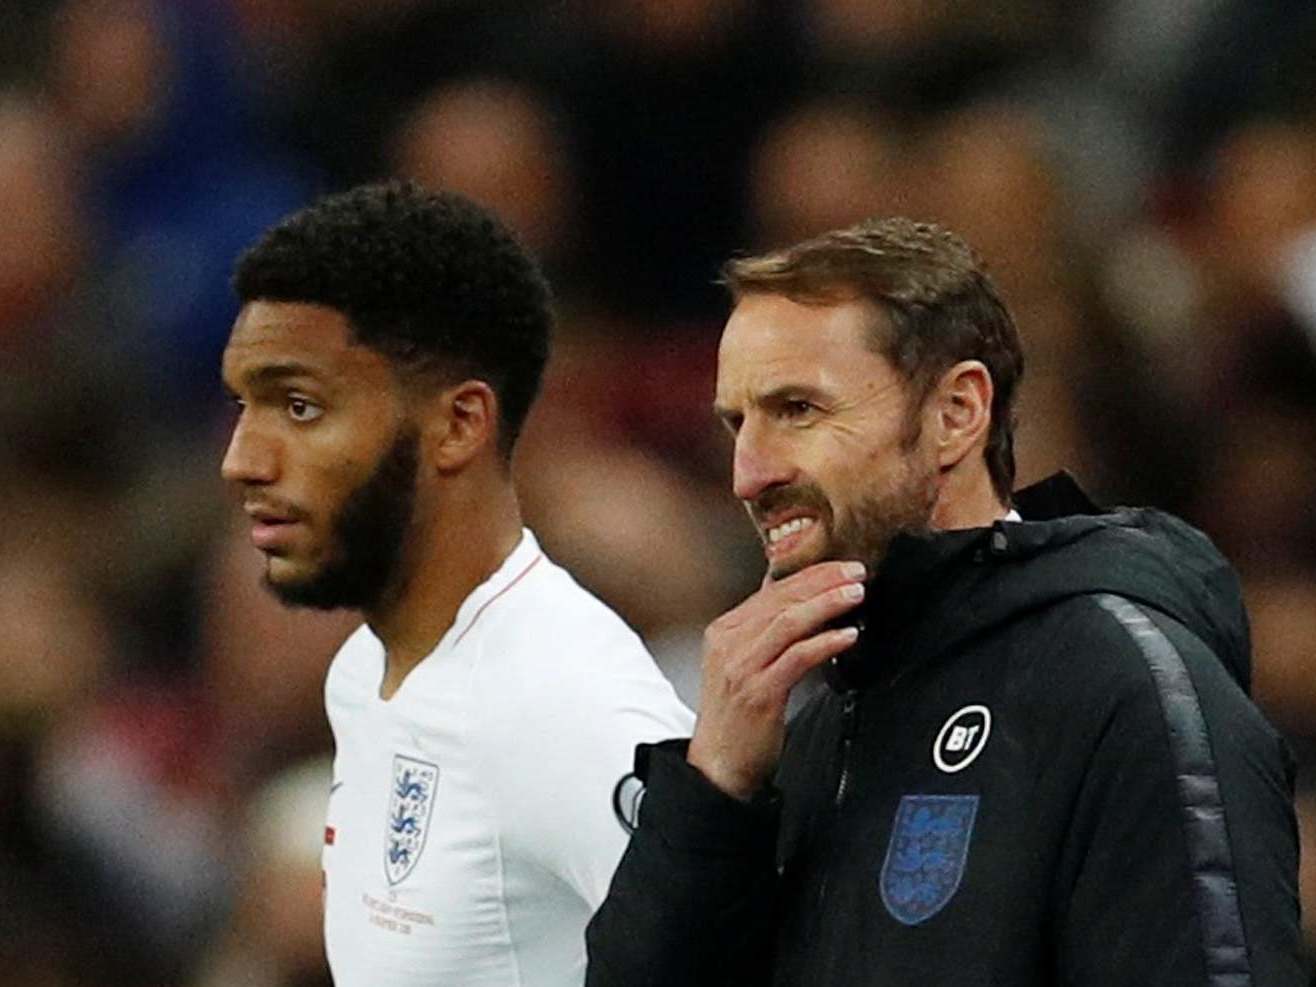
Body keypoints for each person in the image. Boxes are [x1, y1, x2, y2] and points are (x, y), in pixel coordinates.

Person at [585, 218, 1305, 986]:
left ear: (957, 413)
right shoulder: (806, 719)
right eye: (737, 423)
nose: (748, 474)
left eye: (797, 409)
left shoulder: (1122, 684)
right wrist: (713, 793)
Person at [219, 181, 693, 987]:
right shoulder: (362, 673)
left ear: (459, 424)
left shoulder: (569, 702)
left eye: (298, 406)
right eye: (244, 405)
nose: (242, 460)